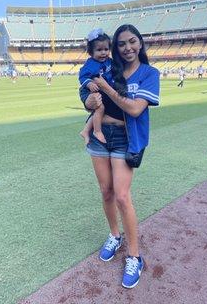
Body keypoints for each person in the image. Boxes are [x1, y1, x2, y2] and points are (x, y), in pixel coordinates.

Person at [80, 24, 160, 289]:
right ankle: (115, 235)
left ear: (140, 43)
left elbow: (136, 109)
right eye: (122, 44)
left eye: (132, 42)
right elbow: (88, 92)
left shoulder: (149, 73)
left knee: (123, 196)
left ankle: (134, 256)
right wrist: (88, 101)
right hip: (101, 137)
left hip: (127, 138)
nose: (128, 48)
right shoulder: (107, 67)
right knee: (106, 192)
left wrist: (107, 88)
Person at [79, 29, 112, 144]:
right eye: (99, 50)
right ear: (91, 52)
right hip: (88, 89)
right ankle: (97, 131)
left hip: (100, 89)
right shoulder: (90, 64)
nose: (103, 53)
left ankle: (85, 130)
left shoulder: (109, 61)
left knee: (99, 110)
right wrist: (89, 83)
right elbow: (82, 76)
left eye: (106, 49)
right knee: (100, 108)